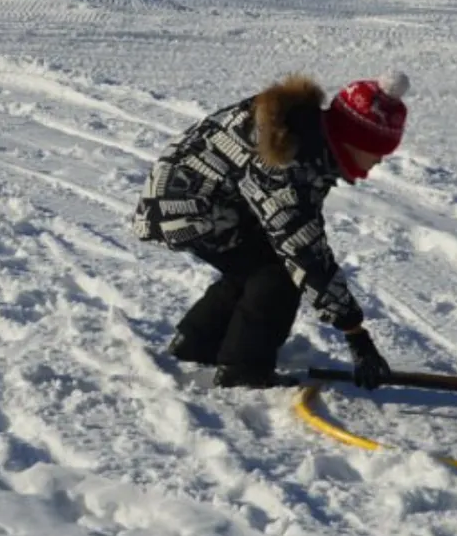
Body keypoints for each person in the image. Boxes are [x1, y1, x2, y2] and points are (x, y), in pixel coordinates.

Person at [133, 73, 409, 389]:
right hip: (182, 208)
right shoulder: (290, 159)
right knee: (279, 272)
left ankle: (198, 343)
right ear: (352, 140)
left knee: (255, 262)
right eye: (376, 150)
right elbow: (304, 253)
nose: (379, 161)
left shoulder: (305, 133)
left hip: (197, 198)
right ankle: (244, 370)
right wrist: (354, 331)